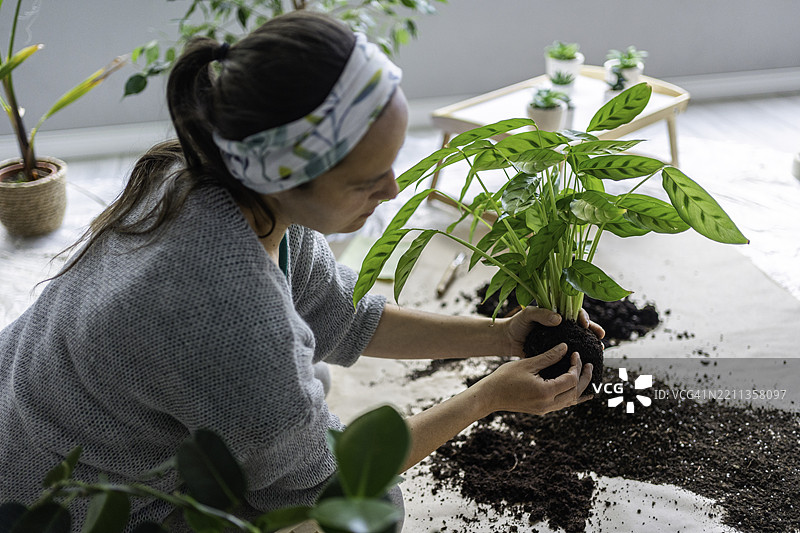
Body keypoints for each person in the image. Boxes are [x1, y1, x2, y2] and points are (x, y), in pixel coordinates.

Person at [0, 11, 602, 532]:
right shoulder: (234, 319)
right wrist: (485, 399)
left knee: (302, 384)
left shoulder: (208, 177)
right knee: (365, 512)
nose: (393, 190)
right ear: (286, 174)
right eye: (368, 182)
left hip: (30, 406)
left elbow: (342, 312)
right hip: (61, 498)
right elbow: (338, 481)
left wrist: (498, 336)